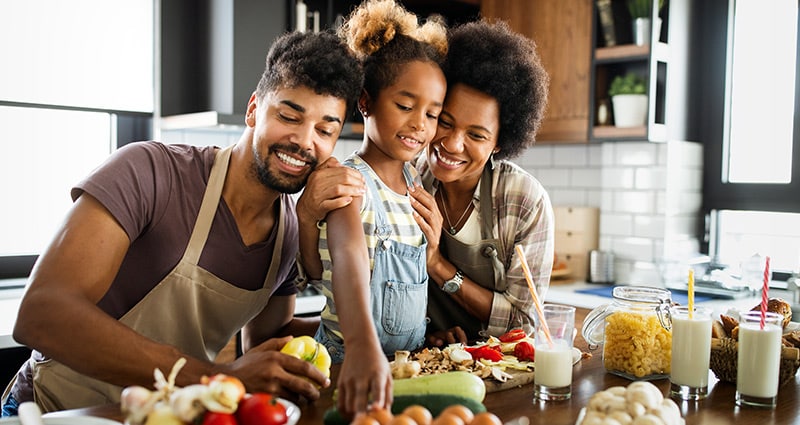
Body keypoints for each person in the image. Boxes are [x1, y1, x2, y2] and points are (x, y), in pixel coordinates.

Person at [1, 30, 365, 417]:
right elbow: (42, 314)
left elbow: (266, 341)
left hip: (167, 416)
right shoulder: (150, 172)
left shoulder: (289, 231)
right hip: (55, 411)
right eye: (289, 116)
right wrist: (216, 377)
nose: (304, 141)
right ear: (254, 110)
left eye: (325, 130)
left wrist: (367, 327)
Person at [296, 0, 447, 416]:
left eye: (433, 114)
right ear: (366, 102)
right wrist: (363, 347)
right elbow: (348, 257)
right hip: (349, 363)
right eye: (405, 106)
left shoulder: (415, 183)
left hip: (404, 367)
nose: (420, 124)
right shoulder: (349, 182)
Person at [408, 20, 554, 346]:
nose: (452, 144)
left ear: (499, 143)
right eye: (445, 122)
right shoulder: (408, 178)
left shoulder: (524, 200)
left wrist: (437, 265)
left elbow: (524, 323)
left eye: (476, 135)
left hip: (500, 364)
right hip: (426, 359)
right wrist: (424, 335)